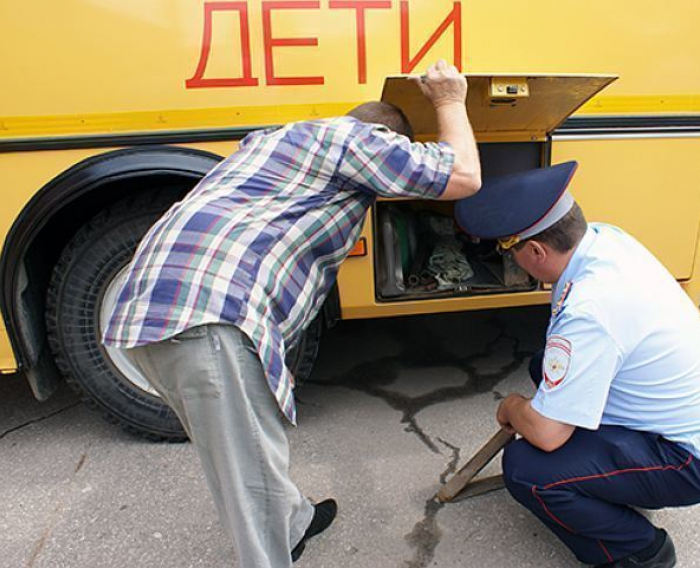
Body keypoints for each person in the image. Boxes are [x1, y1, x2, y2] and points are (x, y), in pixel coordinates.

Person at [101, 59, 481, 568]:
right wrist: (450, 100)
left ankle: (297, 519)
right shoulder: (356, 138)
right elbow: (463, 176)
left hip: (147, 311)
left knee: (247, 449)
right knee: (249, 485)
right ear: (385, 138)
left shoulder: (272, 142)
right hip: (210, 317)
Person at [454, 162, 700, 568]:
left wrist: (514, 407)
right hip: (697, 422)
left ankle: (637, 550)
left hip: (691, 460)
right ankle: (613, 485)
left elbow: (549, 435)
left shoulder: (590, 308)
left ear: (536, 251)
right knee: (544, 368)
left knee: (527, 469)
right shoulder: (606, 239)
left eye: (509, 251)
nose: (512, 261)